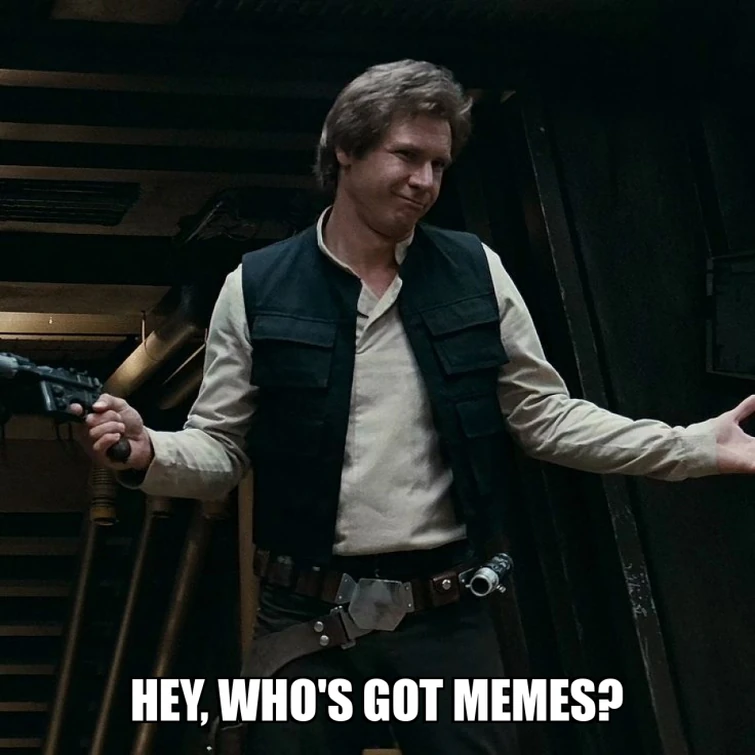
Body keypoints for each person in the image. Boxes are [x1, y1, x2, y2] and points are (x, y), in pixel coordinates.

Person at [75, 60, 755, 754]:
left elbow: (544, 417)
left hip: (445, 614)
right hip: (303, 614)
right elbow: (220, 449)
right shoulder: (255, 286)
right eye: (406, 156)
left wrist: (696, 445)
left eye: (439, 164)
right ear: (346, 148)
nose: (425, 181)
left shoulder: (475, 270)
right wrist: (152, 451)